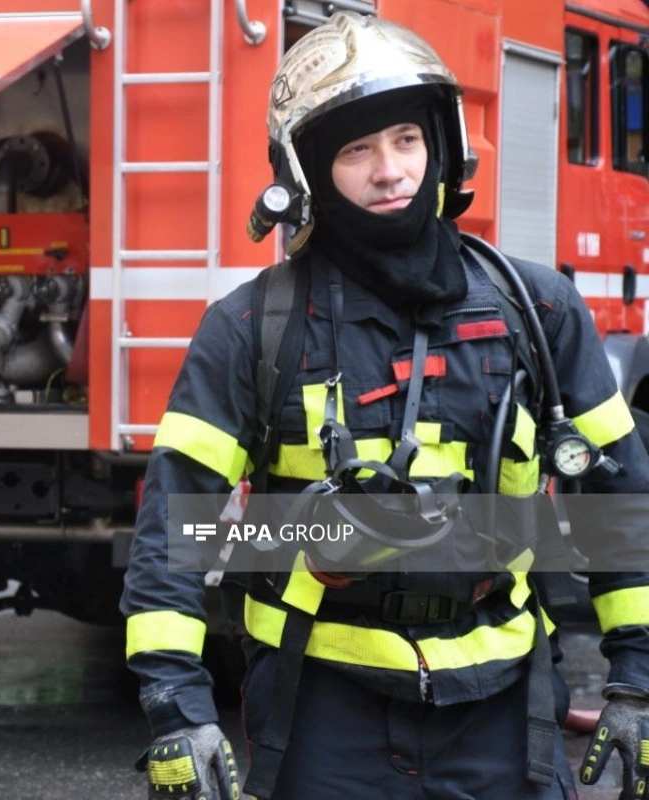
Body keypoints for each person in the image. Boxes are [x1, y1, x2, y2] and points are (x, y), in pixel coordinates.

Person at [122, 12, 649, 800]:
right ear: (307, 172)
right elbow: (180, 524)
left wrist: (636, 681)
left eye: (406, 139)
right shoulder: (253, 326)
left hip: (504, 710)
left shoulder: (537, 310)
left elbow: (619, 502)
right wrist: (176, 706)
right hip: (322, 706)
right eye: (356, 150)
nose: (390, 170)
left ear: (442, 145)